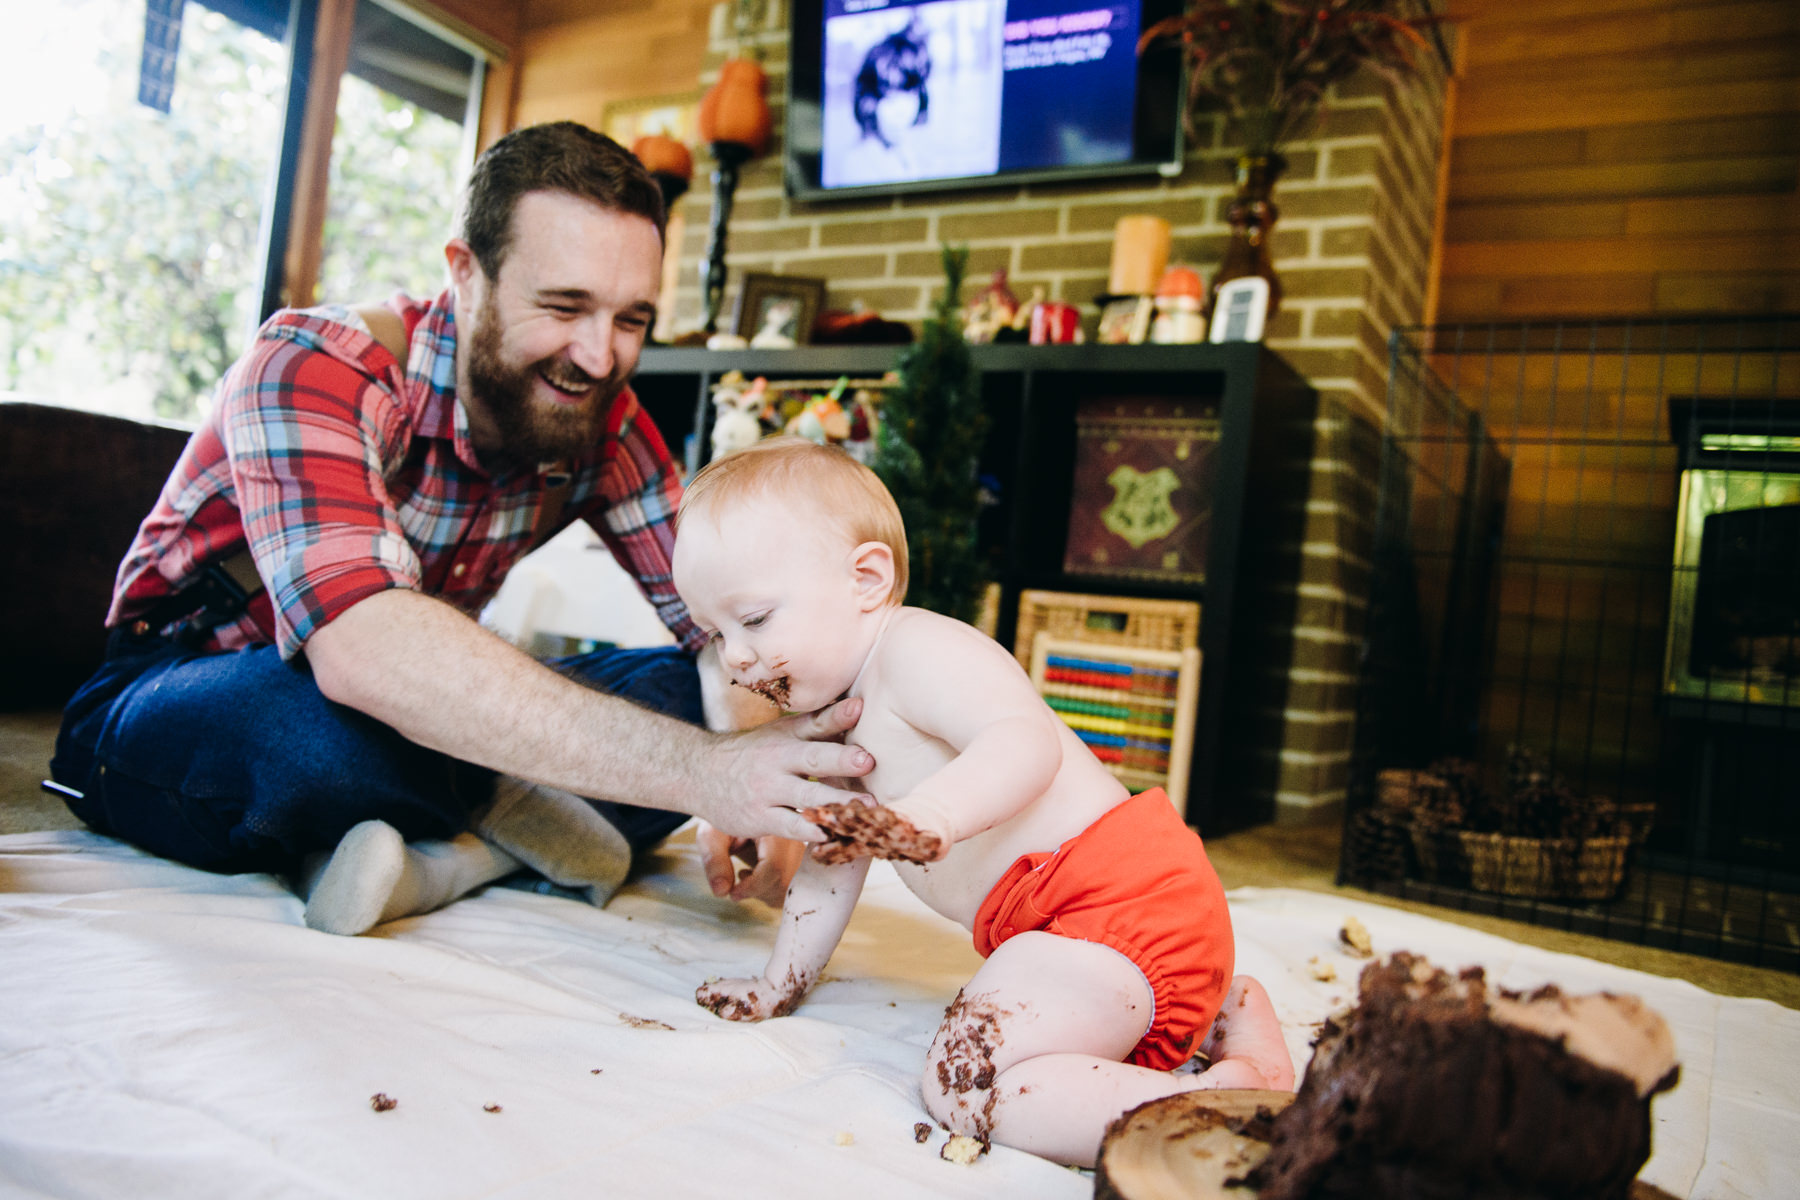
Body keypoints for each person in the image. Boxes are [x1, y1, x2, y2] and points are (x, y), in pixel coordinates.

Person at [48, 122, 868, 937]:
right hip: (190, 686)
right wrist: (704, 774)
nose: (598, 356)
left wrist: (754, 759)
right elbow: (367, 650)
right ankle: (507, 816)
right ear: (465, 274)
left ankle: (450, 861)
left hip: (416, 701)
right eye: (564, 306)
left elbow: (723, 625)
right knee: (322, 729)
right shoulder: (314, 364)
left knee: (698, 689)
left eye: (631, 319)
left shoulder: (604, 420)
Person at [672, 437, 1293, 1168]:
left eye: (755, 619)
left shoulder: (917, 650)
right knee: (1002, 1045)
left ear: (867, 580)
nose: (736, 658)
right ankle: (1231, 1020)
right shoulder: (840, 710)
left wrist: (931, 813)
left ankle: (1216, 1112)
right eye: (716, 635)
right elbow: (830, 867)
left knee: (965, 1080)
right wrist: (780, 983)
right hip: (1080, 940)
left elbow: (1026, 744)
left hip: (1118, 911)